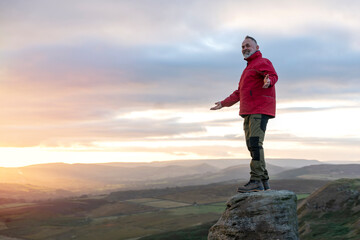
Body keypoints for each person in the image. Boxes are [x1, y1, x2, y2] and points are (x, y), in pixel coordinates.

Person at [210, 36, 278, 193]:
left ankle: (255, 180)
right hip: (248, 112)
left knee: (255, 143)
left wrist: (269, 81)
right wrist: (223, 103)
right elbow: (239, 92)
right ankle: (263, 180)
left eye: (248, 45)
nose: (245, 48)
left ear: (257, 47)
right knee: (252, 146)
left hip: (259, 110)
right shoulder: (248, 69)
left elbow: (272, 75)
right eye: (242, 47)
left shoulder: (262, 62)